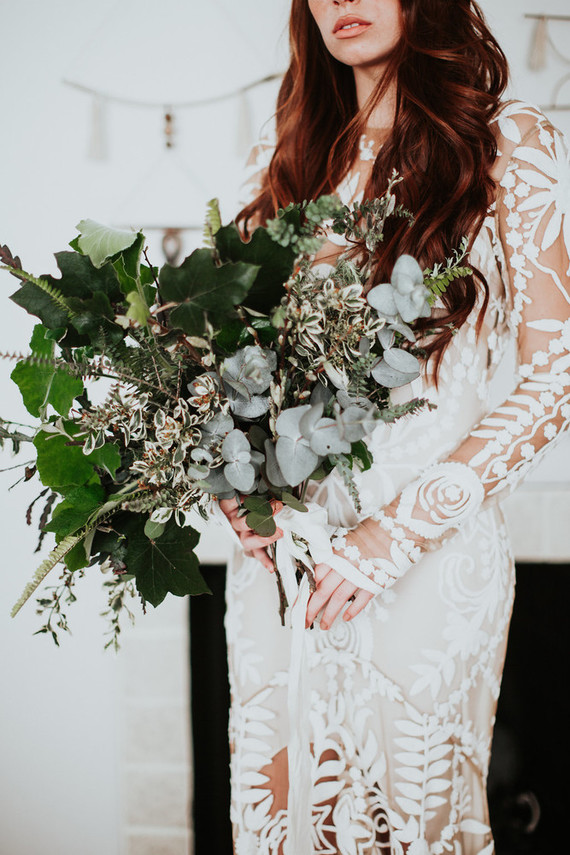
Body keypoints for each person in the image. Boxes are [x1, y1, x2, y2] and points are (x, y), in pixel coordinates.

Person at [217, 1, 570, 852]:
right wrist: (237, 484)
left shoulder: (508, 139)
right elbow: (239, 363)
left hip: (426, 559)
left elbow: (558, 374)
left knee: (409, 823)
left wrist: (394, 536)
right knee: (277, 821)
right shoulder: (289, 158)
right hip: (284, 563)